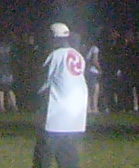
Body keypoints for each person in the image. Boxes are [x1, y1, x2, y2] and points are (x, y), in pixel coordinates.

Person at [33, 23, 86, 168]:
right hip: (74, 117)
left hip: (56, 115)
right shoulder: (78, 55)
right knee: (68, 159)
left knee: (42, 158)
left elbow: (43, 83)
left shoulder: (56, 55)